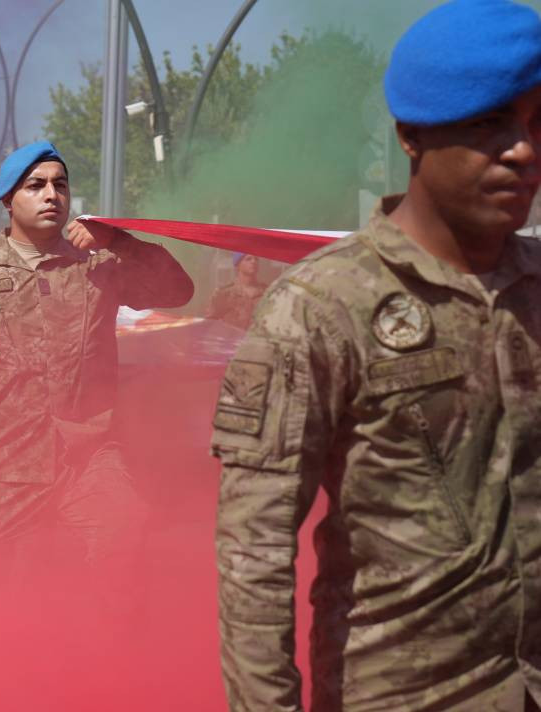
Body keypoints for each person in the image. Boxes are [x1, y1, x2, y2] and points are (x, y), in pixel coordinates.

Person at [211, 2, 541, 710]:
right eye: (489, 124)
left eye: (538, 124)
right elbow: (255, 553)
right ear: (413, 136)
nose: (522, 151)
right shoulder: (321, 306)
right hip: (402, 692)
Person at [0, 141, 194, 602]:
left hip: (87, 454)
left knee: (125, 531)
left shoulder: (99, 265)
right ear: (8, 200)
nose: (52, 196)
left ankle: (101, 658)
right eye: (36, 185)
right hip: (4, 464)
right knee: (8, 594)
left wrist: (120, 240)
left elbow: (177, 290)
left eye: (60, 186)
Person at [206, 252, 268, 330]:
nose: (253, 262)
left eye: (256, 259)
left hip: (258, 341)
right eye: (248, 259)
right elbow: (210, 322)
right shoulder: (224, 293)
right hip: (232, 340)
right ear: (238, 264)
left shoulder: (267, 293)